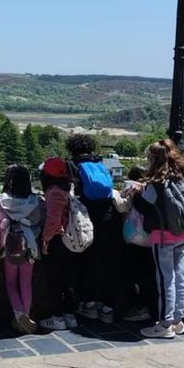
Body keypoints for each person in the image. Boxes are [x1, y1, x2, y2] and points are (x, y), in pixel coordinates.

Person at [133, 139, 184, 339]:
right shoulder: (181, 177)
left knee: (165, 279)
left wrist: (136, 192)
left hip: (162, 235)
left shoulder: (156, 183)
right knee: (180, 276)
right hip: (181, 233)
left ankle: (164, 323)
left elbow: (144, 206)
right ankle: (177, 320)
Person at [65, 134, 123, 324]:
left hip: (86, 220)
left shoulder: (72, 165)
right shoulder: (100, 164)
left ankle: (89, 304)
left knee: (87, 262)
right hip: (110, 217)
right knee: (109, 263)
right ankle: (108, 307)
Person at [0, 164, 44, 334]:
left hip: (10, 244)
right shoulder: (34, 201)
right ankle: (25, 315)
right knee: (26, 282)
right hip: (29, 244)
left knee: (11, 282)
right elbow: (38, 221)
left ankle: (19, 315)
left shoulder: (1, 200)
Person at [38, 158, 81, 331]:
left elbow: (53, 220)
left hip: (57, 241)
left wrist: (46, 240)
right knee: (67, 279)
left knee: (54, 280)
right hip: (68, 241)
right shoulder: (66, 189)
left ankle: (57, 318)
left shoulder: (54, 192)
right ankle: (70, 316)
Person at [114, 166, 157, 323]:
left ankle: (136, 307)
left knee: (130, 275)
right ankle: (147, 307)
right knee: (147, 275)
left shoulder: (131, 186)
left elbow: (122, 206)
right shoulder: (150, 188)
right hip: (149, 236)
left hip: (132, 236)